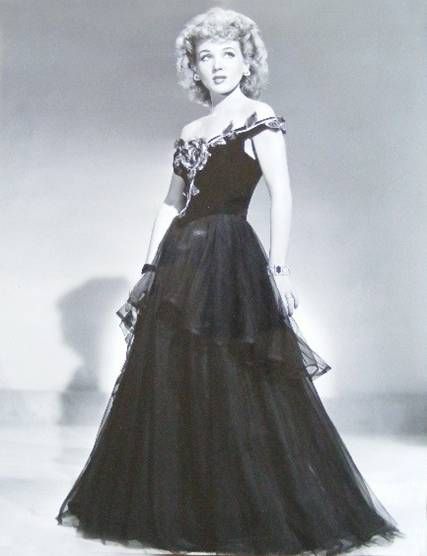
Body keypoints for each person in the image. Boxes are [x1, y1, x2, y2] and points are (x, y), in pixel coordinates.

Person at [56, 7, 404, 555]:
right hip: (178, 263)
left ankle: (242, 509)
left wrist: (279, 268)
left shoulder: (259, 117)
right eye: (206, 56)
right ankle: (185, 508)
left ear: (247, 61)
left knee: (235, 380)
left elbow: (282, 193)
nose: (217, 64)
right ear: (193, 67)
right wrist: (148, 269)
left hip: (229, 258)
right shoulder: (189, 131)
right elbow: (170, 204)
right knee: (176, 380)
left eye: (228, 54)